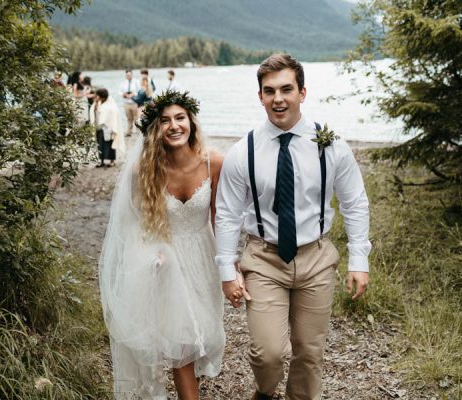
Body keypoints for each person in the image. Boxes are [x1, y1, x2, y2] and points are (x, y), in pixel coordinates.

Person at [215, 53, 371, 399]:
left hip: (316, 258)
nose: (278, 98)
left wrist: (359, 261)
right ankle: (266, 393)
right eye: (269, 91)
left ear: (302, 92)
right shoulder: (243, 151)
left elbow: (355, 203)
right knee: (267, 352)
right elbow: (226, 213)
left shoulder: (331, 146)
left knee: (309, 352)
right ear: (260, 97)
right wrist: (227, 270)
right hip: (263, 258)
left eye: (287, 89)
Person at [99, 90, 225, 399]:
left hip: (202, 256)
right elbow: (130, 224)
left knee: (201, 334)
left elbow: (220, 218)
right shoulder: (141, 169)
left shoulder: (214, 161)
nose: (174, 126)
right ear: (156, 129)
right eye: (165, 120)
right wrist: (149, 254)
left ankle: (190, 383)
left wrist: (229, 266)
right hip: (164, 260)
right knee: (182, 342)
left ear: (191, 122)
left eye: (180, 118)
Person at [89, 88, 125, 168]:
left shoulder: (111, 104)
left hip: (109, 128)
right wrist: (96, 104)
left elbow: (114, 116)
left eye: (98, 96)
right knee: (100, 144)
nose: (96, 97)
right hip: (99, 127)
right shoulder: (97, 103)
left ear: (102, 97)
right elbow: (94, 112)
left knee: (110, 145)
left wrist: (112, 127)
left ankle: (112, 161)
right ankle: (101, 161)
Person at [119, 69, 140, 137]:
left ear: (131, 75)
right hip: (126, 103)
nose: (128, 76)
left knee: (136, 118)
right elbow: (119, 92)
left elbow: (139, 91)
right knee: (129, 118)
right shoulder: (123, 83)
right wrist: (123, 94)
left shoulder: (136, 82)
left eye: (129, 75)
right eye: (127, 75)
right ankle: (129, 132)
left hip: (134, 103)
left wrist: (133, 94)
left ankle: (138, 132)